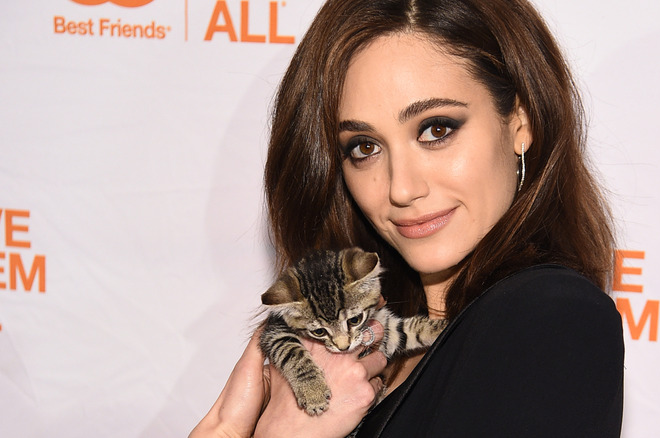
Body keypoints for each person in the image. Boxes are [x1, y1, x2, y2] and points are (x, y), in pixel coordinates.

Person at [191, 0, 624, 436]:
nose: (401, 188)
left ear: (521, 121)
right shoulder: (367, 345)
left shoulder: (552, 316)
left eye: (436, 129)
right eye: (364, 147)